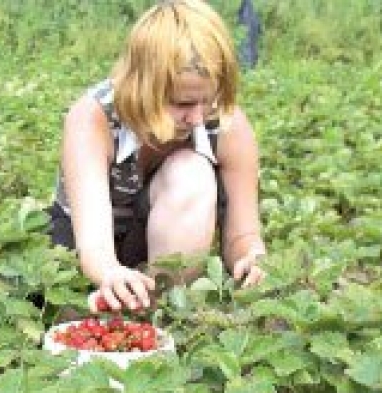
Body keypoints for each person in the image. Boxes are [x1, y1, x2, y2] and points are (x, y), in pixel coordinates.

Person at [49, 0, 267, 312]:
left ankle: (162, 310)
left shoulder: (227, 125)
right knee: (71, 309)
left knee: (191, 172)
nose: (197, 117)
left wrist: (251, 257)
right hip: (84, 249)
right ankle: (110, 307)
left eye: (208, 100)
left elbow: (243, 233)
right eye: (182, 103)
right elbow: (93, 243)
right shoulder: (93, 118)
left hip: (157, 254)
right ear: (142, 88)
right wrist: (109, 273)